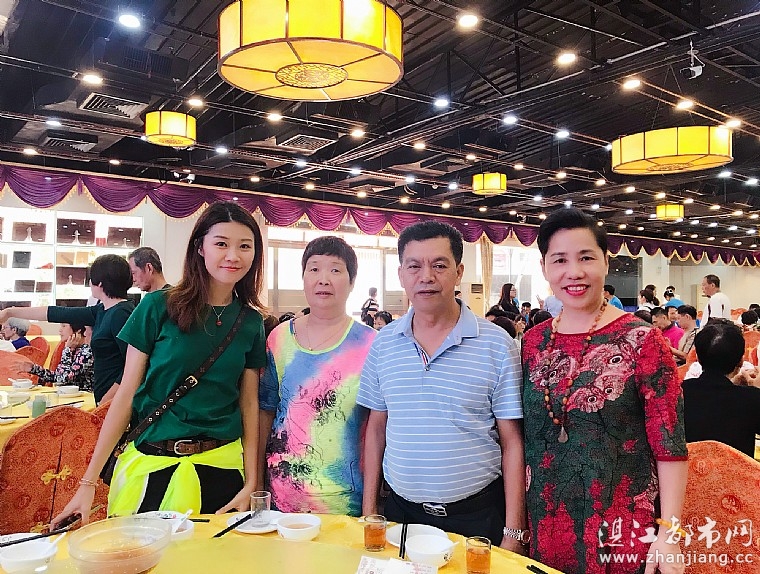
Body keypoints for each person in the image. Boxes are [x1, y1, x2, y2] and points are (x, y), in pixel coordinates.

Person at [51, 201, 267, 527]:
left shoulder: (251, 322)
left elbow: (248, 404)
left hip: (222, 469)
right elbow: (126, 394)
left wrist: (251, 482)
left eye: (245, 246)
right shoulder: (157, 306)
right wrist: (88, 483)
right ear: (200, 248)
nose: (233, 256)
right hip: (153, 464)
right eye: (221, 243)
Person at [522, 208, 687, 574]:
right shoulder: (533, 342)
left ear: (606, 262)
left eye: (586, 258)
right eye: (560, 260)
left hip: (621, 527)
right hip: (547, 520)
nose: (574, 272)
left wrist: (670, 533)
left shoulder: (643, 340)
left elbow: (670, 443)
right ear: (544, 267)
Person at [358, 221, 526, 552]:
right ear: (401, 274)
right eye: (414, 266)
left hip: (477, 519)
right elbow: (376, 429)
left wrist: (514, 531)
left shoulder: (496, 345)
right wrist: (369, 513)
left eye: (439, 265)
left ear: (458, 272)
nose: (426, 277)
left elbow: (512, 442)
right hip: (401, 516)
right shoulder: (383, 343)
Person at [260, 237, 376, 516]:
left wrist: (371, 507)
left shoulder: (371, 344)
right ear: (303, 278)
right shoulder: (279, 338)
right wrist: (257, 484)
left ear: (352, 281)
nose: (323, 279)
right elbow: (266, 411)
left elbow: (378, 428)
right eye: (314, 269)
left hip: (344, 499)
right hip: (281, 498)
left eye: (335, 270)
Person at [0, 255, 135, 403]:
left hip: (115, 401)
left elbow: (132, 366)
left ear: (100, 283)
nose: (90, 283)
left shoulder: (121, 314)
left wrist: (107, 400)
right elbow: (56, 313)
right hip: (107, 400)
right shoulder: (102, 310)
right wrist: (10, 312)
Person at [683, 321, 760, 458]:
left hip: (686, 471)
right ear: (741, 361)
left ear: (698, 359)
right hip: (738, 472)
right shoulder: (751, 399)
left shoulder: (680, 393)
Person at [11, 323, 94, 390]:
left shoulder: (87, 351)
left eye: (64, 326)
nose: (60, 330)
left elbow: (62, 380)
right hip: (70, 397)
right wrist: (33, 369)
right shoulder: (74, 349)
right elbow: (58, 376)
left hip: (85, 399)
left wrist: (67, 350)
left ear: (78, 330)